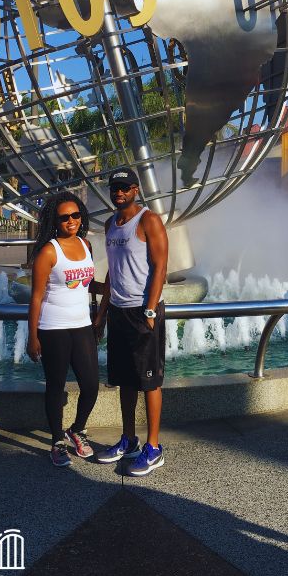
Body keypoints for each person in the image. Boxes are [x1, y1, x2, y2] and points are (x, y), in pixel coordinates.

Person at [91, 168, 169, 476]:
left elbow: (161, 266)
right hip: (119, 312)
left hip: (142, 312)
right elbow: (112, 272)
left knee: (149, 381)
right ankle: (128, 439)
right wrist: (101, 315)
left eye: (124, 187)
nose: (118, 192)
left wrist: (150, 310)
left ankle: (153, 447)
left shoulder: (149, 220)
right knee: (124, 379)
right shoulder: (111, 223)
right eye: (114, 188)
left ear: (135, 189)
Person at [26, 192, 100, 467]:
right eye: (64, 217)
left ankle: (76, 429)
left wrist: (107, 288)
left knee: (91, 384)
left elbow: (86, 282)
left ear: (81, 217)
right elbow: (36, 297)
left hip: (81, 325)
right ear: (55, 221)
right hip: (53, 327)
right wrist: (32, 336)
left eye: (75, 215)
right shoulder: (48, 251)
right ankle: (57, 440)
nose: (71, 221)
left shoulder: (86, 245)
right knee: (55, 386)